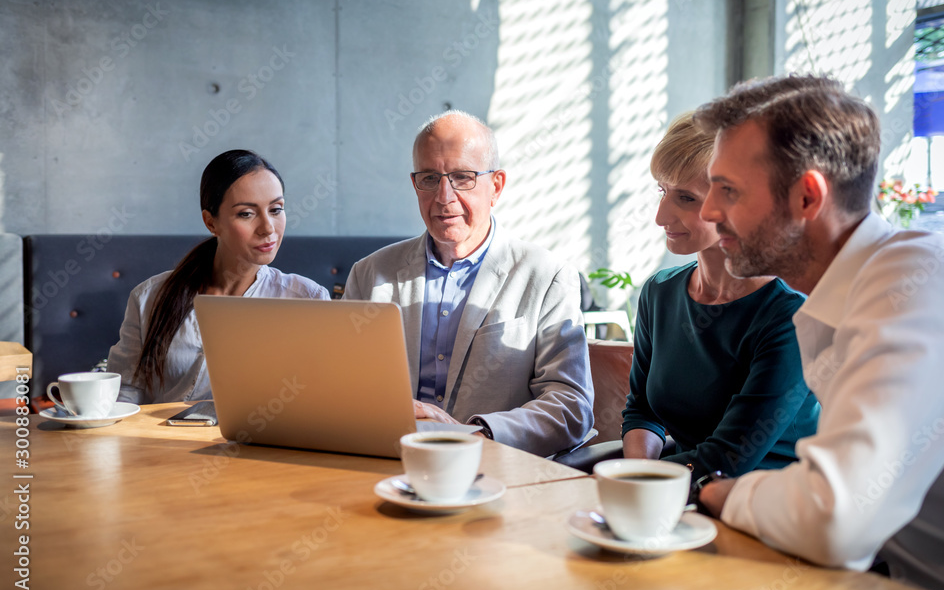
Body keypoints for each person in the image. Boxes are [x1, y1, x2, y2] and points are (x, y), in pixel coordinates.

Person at [693, 75, 944, 590]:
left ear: (808, 196)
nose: (707, 212)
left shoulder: (914, 279)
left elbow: (835, 514)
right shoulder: (845, 291)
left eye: (729, 190)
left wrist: (720, 493)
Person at [343, 110, 594, 457]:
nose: (444, 197)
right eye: (430, 178)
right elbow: (341, 387)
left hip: (496, 470)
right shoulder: (370, 274)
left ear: (496, 186)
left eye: (462, 177)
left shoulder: (547, 276)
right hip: (385, 461)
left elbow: (570, 406)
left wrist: (474, 436)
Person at [621, 112, 819, 480]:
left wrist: (637, 483)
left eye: (686, 198)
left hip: (765, 512)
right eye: (662, 191)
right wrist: (638, 476)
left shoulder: (790, 314)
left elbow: (728, 459)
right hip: (673, 495)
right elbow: (643, 410)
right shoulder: (659, 292)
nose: (661, 216)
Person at [108, 150, 330, 404]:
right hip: (160, 441)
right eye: (246, 213)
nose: (268, 228)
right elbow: (124, 393)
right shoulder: (149, 297)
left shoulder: (308, 300)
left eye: (276, 209)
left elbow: (320, 398)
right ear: (211, 222)